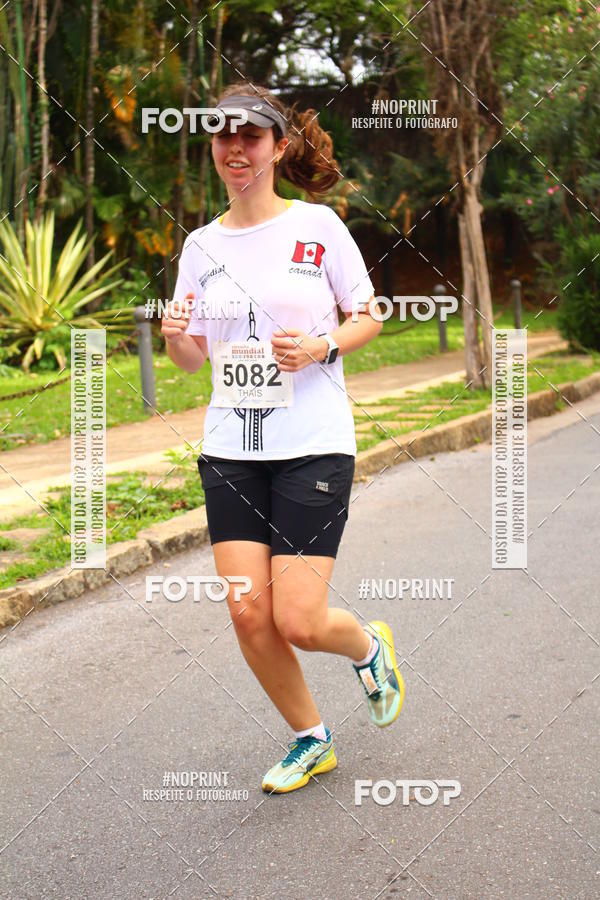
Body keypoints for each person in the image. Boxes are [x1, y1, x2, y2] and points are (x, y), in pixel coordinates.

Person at [162, 82, 405, 794]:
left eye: (251, 137)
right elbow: (192, 359)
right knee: (247, 607)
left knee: (298, 618)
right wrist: (177, 337)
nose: (236, 150)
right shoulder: (201, 245)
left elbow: (369, 314)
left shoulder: (319, 226)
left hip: (313, 441)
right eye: (223, 137)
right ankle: (311, 737)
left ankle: (367, 646)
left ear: (277, 146)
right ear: (213, 147)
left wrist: (323, 346)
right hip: (232, 447)